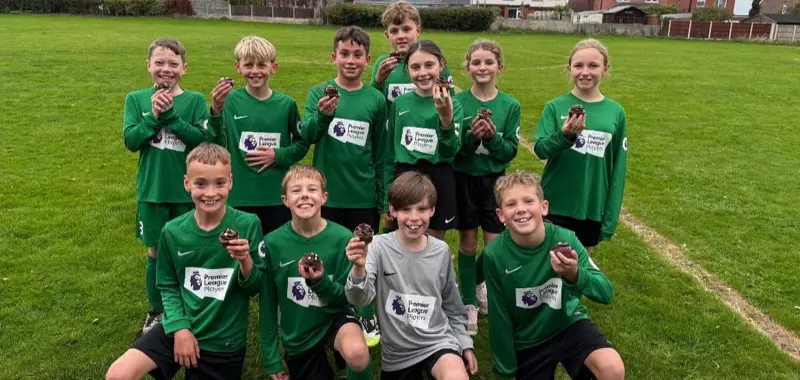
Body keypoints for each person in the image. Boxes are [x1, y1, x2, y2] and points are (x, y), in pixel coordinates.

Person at [106, 143, 264, 380]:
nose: (210, 193)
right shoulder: (172, 231)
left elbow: (255, 288)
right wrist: (180, 328)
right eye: (201, 184)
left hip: (222, 338)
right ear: (186, 183)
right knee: (118, 374)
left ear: (230, 182)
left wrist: (245, 262)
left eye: (219, 183)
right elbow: (168, 285)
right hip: (177, 326)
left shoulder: (248, 225)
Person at [483, 171, 625, 380]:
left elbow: (606, 292)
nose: (521, 209)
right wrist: (505, 373)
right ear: (501, 215)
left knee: (611, 368)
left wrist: (574, 274)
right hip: (528, 339)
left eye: (528, 201)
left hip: (568, 324)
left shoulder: (565, 239)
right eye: (511, 204)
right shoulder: (494, 255)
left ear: (544, 207)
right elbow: (499, 317)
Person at [301, 25, 388, 348]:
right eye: (344, 54)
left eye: (357, 55)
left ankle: (364, 310)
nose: (350, 60)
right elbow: (308, 135)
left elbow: (381, 151)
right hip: (327, 194)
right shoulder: (318, 93)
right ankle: (332, 309)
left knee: (361, 255)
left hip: (362, 192)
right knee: (332, 252)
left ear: (367, 59)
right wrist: (323, 117)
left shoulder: (376, 100)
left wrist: (382, 195)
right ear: (333, 56)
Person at [345, 171, 478, 380]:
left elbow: (452, 305)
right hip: (398, 354)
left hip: (438, 342)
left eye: (422, 209)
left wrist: (465, 344)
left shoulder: (441, 251)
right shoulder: (378, 247)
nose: (414, 217)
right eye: (406, 209)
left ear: (433, 210)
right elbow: (359, 298)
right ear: (392, 211)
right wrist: (359, 268)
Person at [122, 37, 213, 334]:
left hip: (190, 192)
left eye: (173, 64)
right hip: (153, 191)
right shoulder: (136, 99)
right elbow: (131, 141)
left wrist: (171, 115)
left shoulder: (195, 100)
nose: (166, 69)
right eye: (159, 62)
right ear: (148, 65)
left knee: (190, 250)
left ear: (184, 68)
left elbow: (200, 140)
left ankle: (190, 307)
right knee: (156, 252)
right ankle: (157, 311)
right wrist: (154, 116)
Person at [259, 166, 373, 380]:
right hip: (299, 331)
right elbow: (267, 303)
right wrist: (271, 357)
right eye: (296, 190)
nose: (304, 195)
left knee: (357, 352)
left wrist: (319, 282)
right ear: (285, 200)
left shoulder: (342, 238)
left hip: (334, 316)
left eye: (312, 189)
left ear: (324, 197)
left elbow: (345, 299)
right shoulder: (272, 243)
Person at [532, 38, 628, 251]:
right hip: (555, 202)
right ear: (569, 69)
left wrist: (610, 217)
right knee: (550, 267)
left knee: (578, 271)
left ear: (605, 69)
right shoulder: (555, 107)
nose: (585, 72)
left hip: (591, 206)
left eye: (593, 65)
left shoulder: (615, 112)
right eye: (578, 65)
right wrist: (564, 136)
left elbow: (618, 168)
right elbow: (540, 149)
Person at [453, 39, 521, 334]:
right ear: (467, 67)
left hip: (496, 184)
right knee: (468, 243)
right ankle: (467, 302)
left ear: (499, 67)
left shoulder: (510, 105)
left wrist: (492, 138)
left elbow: (509, 152)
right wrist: (471, 139)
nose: (482, 67)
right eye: (476, 62)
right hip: (464, 180)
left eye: (488, 62)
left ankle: (483, 285)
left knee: (496, 248)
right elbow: (453, 150)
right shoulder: (458, 103)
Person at [209, 36, 308, 236]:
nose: (255, 71)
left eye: (262, 65)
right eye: (248, 65)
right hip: (240, 195)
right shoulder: (229, 101)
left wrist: (278, 155)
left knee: (274, 250)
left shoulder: (286, 104)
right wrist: (216, 110)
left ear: (274, 67)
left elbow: (302, 143)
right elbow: (214, 142)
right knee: (241, 251)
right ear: (238, 67)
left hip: (276, 195)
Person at [382, 40, 463, 241]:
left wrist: (446, 119)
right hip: (405, 174)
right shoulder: (400, 104)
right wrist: (386, 196)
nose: (423, 72)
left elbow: (449, 152)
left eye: (429, 65)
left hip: (439, 176)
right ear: (407, 70)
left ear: (441, 65)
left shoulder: (454, 105)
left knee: (433, 242)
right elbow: (389, 153)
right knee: (401, 239)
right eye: (415, 67)